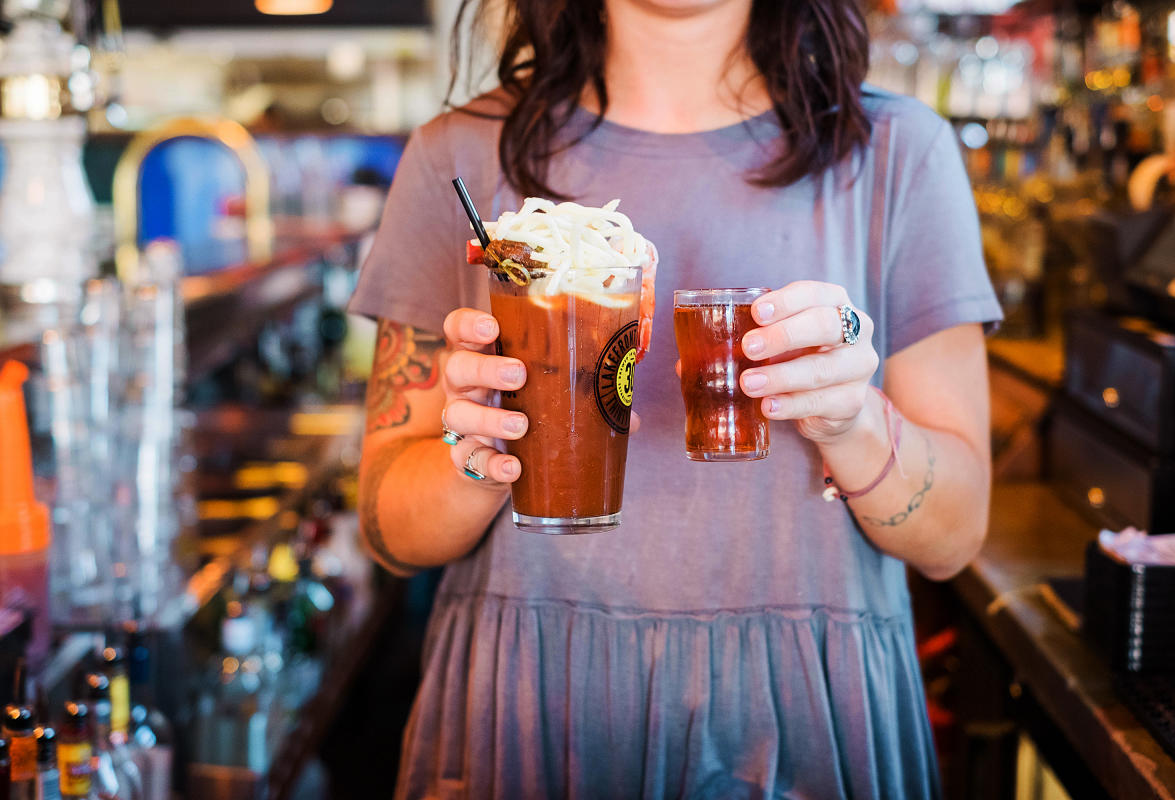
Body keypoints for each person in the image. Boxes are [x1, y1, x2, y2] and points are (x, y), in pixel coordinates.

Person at [349, 0, 1002, 797]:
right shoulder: (455, 152)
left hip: (809, 705)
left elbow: (955, 534)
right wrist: (476, 456)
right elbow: (388, 527)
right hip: (527, 701)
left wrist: (855, 420)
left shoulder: (901, 153)